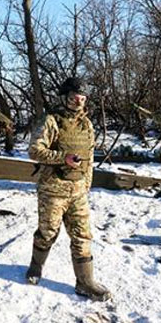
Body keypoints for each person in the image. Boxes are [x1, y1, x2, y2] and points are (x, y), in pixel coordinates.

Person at [25, 77, 111, 302]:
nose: (78, 103)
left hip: (78, 191)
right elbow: (34, 150)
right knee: (47, 234)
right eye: (74, 98)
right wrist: (63, 158)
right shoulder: (51, 121)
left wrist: (86, 183)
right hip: (53, 190)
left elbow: (89, 157)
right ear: (64, 98)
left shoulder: (87, 125)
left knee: (83, 236)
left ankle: (85, 282)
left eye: (82, 99)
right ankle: (36, 267)